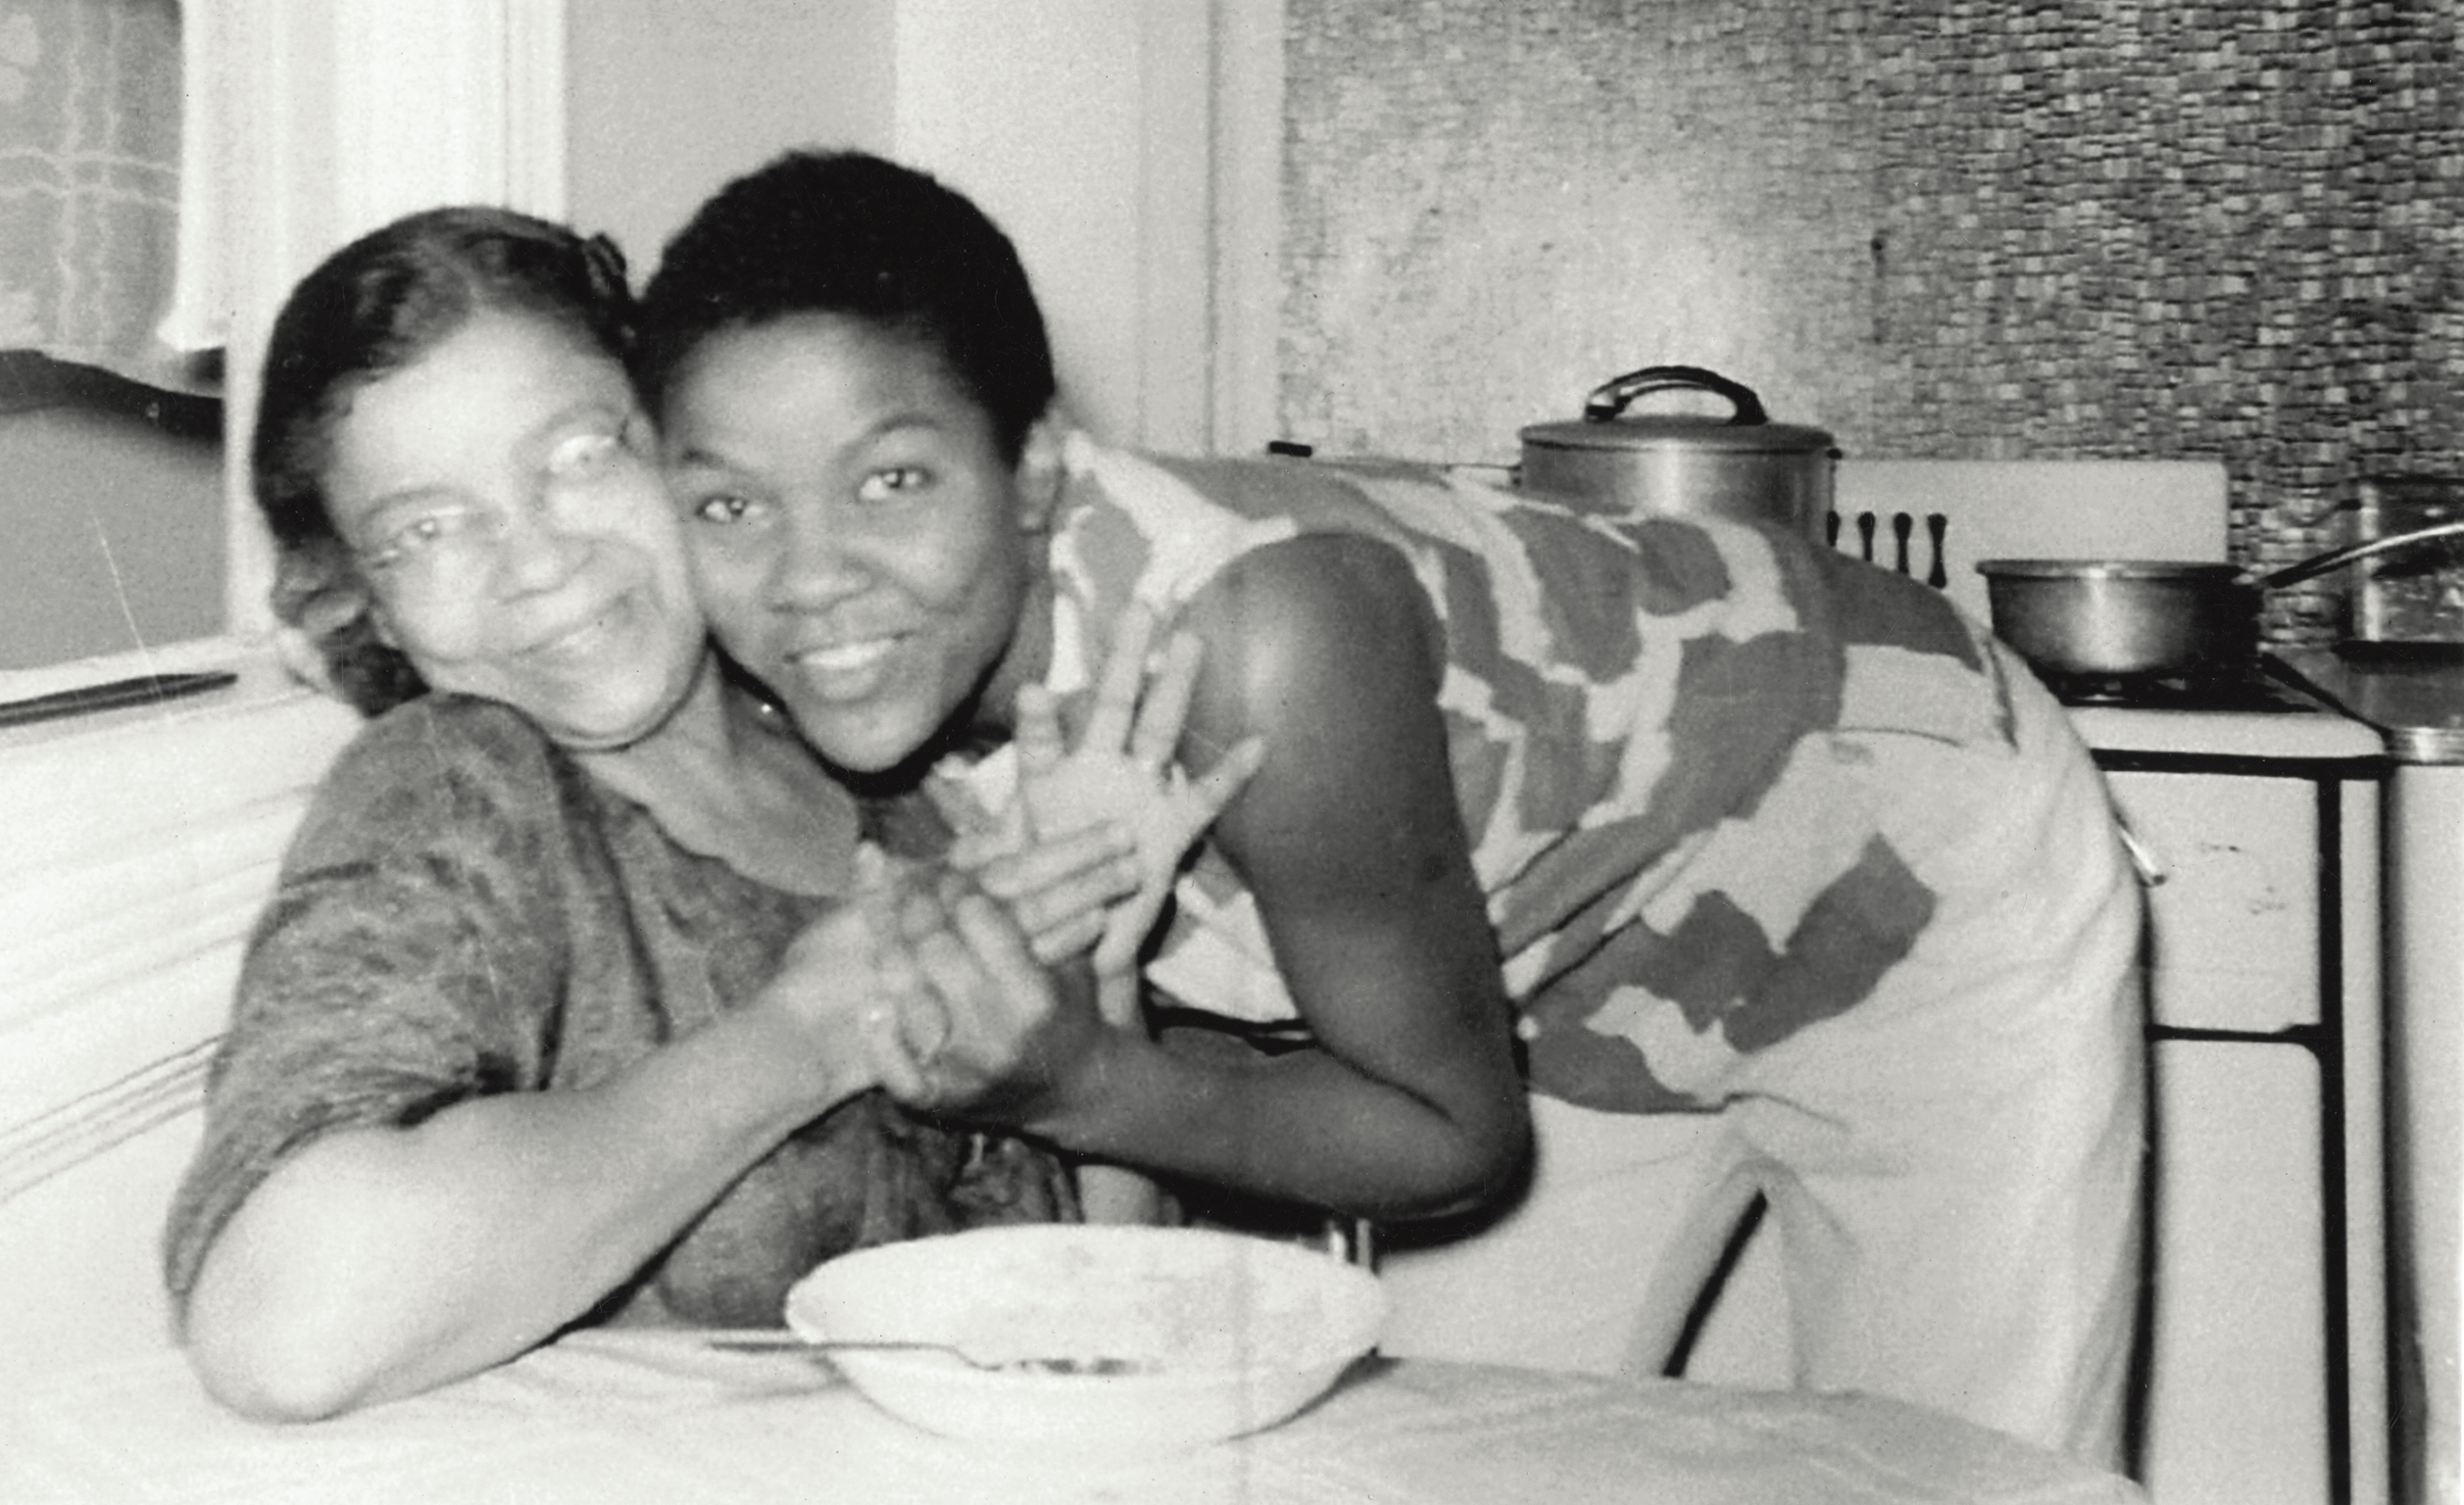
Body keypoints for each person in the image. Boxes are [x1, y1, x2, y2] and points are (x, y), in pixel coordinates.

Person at [630, 148, 2147, 1469]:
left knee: (1952, 1480)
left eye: (891, 481)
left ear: (1033, 470)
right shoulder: (817, 694)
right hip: (1571, 954)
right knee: (1456, 1469)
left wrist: (1074, 1077)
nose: (808, 574)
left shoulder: (1256, 642)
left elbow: (1445, 1137)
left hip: (1901, 842)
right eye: (728, 506)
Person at [162, 206, 1247, 1422]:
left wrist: (1094, 988)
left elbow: (1087, 1320)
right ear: (371, 603)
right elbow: (284, 1329)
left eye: (576, 456)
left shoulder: (885, 786)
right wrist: (805, 1037)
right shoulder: (462, 787)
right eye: (424, 529)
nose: (534, 562)